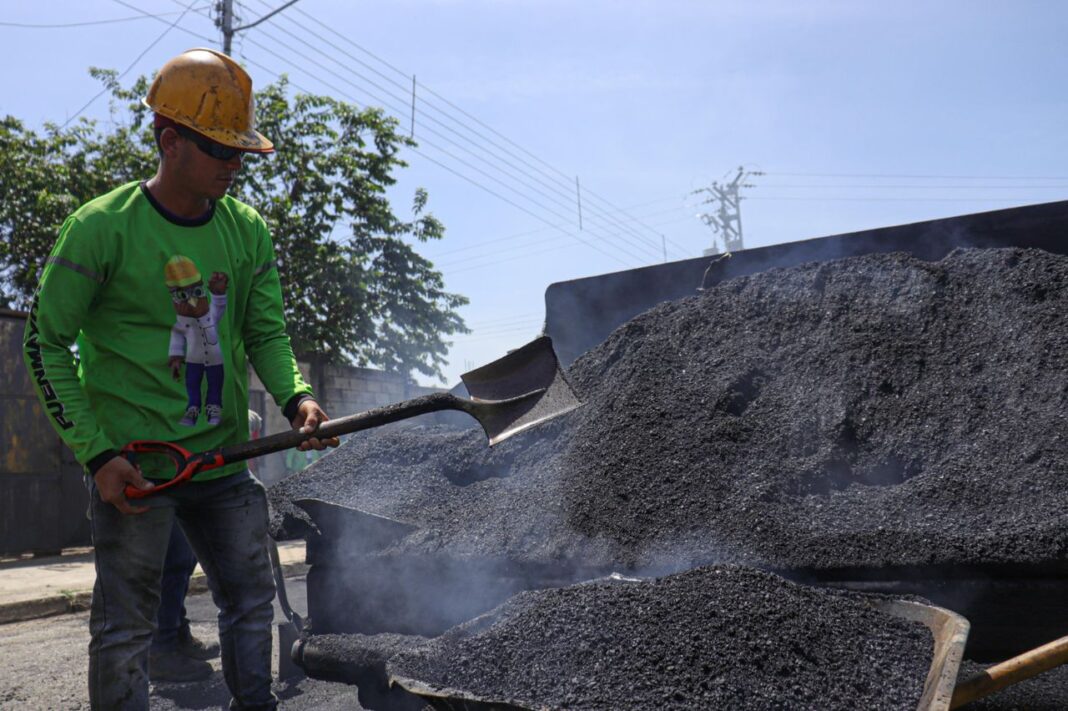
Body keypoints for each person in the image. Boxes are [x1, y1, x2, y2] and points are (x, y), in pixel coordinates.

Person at [22, 48, 338, 710]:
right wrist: (98, 455)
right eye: (221, 150)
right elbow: (45, 342)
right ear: (170, 140)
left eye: (241, 153)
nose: (235, 165)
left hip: (224, 462)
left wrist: (297, 397)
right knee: (125, 630)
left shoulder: (246, 231)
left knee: (250, 602)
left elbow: (266, 334)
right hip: (137, 471)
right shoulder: (101, 230)